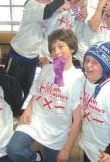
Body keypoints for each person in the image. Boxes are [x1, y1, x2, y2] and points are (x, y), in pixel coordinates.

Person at [6, 29, 84, 162]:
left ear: (72, 48)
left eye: (61, 46)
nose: (56, 52)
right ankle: (36, 157)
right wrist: (29, 109)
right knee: (14, 150)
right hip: (36, 121)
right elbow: (37, 93)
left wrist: (66, 150)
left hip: (57, 131)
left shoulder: (79, 79)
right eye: (53, 49)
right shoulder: (47, 69)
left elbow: (77, 120)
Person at [5, 0, 74, 107]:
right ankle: (6, 117)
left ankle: (17, 114)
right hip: (18, 56)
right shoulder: (32, 5)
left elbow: (48, 31)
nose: (45, 2)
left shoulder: (50, 12)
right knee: (10, 90)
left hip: (33, 59)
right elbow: (48, 10)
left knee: (26, 89)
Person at [44, 0, 91, 64]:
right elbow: (46, 25)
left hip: (72, 53)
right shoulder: (60, 5)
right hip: (53, 52)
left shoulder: (83, 13)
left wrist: (84, 19)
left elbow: (80, 38)